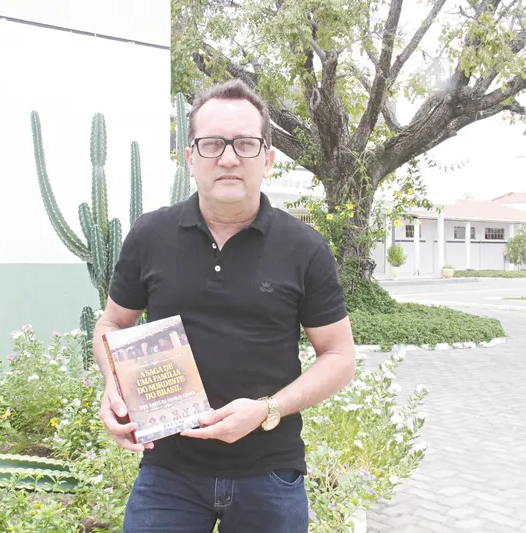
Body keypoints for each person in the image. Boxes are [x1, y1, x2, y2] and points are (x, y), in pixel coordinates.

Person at [92, 78, 357, 533]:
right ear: (189, 157)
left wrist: (268, 409)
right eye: (212, 143)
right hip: (168, 473)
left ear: (267, 159)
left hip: (270, 472)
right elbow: (112, 324)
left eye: (245, 144)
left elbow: (339, 355)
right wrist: (114, 384)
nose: (229, 158)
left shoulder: (305, 247)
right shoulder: (150, 235)